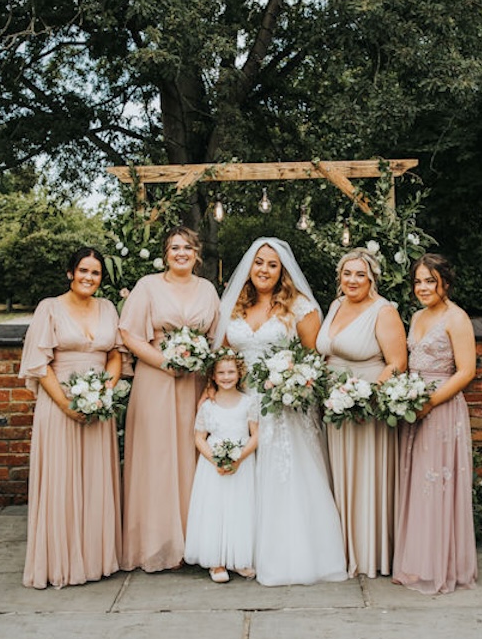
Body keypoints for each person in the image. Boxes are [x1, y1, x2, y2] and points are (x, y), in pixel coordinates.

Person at [214, 237, 347, 587]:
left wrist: (291, 382)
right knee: (243, 476)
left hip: (284, 405)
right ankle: (241, 551)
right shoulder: (235, 308)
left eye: (273, 265)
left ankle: (288, 554)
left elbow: (314, 358)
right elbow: (223, 358)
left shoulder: (300, 308)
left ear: (283, 271)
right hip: (242, 403)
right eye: (259, 263)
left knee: (284, 477)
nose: (265, 270)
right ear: (249, 267)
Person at [19, 247, 124, 589]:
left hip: (98, 408)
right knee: (62, 481)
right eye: (83, 271)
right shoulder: (49, 308)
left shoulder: (108, 308)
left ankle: (96, 559)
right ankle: (61, 561)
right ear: (70, 273)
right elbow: (38, 364)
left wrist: (104, 389)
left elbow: (116, 355)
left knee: (95, 479)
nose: (88, 278)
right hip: (58, 404)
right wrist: (66, 404)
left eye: (95, 273)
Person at [119, 226, 219, 572]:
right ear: (166, 253)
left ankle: (195, 540)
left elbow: (218, 338)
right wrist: (167, 362)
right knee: (157, 459)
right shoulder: (148, 286)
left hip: (194, 383)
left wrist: (208, 377)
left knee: (191, 457)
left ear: (196, 254)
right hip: (156, 379)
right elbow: (129, 334)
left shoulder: (207, 289)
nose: (181, 253)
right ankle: (158, 544)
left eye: (187, 247)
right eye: (174, 247)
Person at [316, 248, 407, 578]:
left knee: (365, 477)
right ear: (339, 277)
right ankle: (339, 551)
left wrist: (365, 397)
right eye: (347, 273)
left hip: (366, 408)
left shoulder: (383, 312)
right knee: (338, 476)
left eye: (360, 274)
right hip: (333, 408)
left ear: (372, 278)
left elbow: (397, 363)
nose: (352, 280)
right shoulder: (335, 305)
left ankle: (370, 554)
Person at [392, 253, 478, 594]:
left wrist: (430, 401)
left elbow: (466, 371)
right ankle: (417, 562)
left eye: (430, 280)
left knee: (436, 485)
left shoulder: (457, 318)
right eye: (418, 281)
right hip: (414, 409)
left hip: (441, 410)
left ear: (445, 282)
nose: (423, 287)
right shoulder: (416, 316)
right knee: (417, 486)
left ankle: (442, 565)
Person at [184, 348, 259, 583]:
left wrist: (238, 458)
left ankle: (239, 558)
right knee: (214, 509)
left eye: (231, 372)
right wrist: (216, 459)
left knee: (240, 508)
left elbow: (256, 435)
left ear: (239, 374)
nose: (226, 377)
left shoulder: (249, 402)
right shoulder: (208, 406)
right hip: (212, 466)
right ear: (213, 377)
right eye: (221, 373)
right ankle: (216, 561)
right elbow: (198, 437)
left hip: (242, 464)